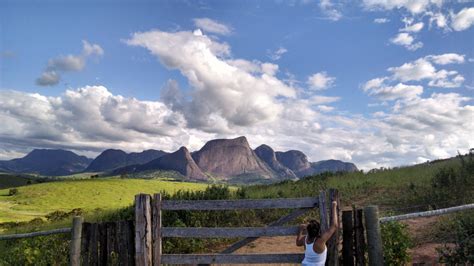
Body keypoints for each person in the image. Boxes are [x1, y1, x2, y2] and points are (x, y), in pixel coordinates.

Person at [296, 201, 338, 266]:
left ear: (308, 230)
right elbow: (334, 225)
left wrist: (301, 230)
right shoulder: (320, 241)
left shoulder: (305, 239)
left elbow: (298, 243)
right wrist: (334, 206)